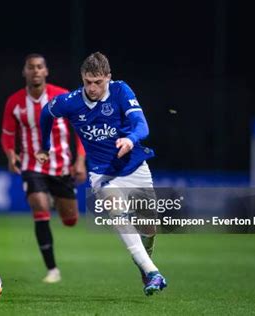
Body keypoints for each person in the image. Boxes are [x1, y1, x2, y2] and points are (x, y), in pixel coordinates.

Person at [37, 52, 167, 295]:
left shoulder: (120, 91)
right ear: (82, 78)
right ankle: (153, 273)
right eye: (88, 81)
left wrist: (130, 139)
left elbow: (142, 125)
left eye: (98, 82)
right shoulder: (71, 102)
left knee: (149, 228)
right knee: (118, 214)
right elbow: (46, 113)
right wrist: (44, 146)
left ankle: (144, 262)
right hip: (102, 173)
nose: (93, 87)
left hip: (135, 166)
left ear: (108, 77)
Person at [1, 54, 86, 283]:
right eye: (31, 67)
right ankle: (52, 270)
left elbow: (80, 130)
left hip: (61, 167)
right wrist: (11, 156)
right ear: (25, 72)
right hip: (32, 165)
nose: (36, 71)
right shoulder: (15, 102)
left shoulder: (62, 96)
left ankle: (55, 197)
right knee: (38, 205)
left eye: (39, 67)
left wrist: (80, 161)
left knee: (70, 220)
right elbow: (8, 135)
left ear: (46, 71)